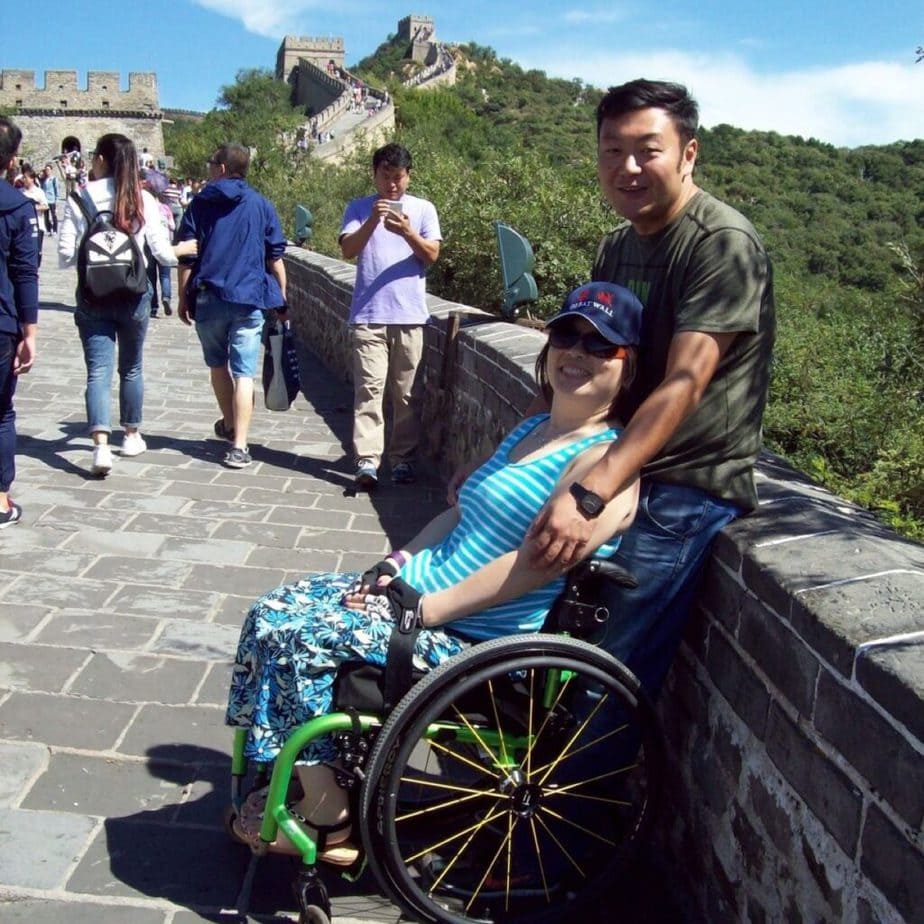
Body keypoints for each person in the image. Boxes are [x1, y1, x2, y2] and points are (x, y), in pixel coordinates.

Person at [226, 280, 642, 861]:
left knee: (305, 640)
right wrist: (395, 565)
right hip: (415, 592)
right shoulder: (532, 428)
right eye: (567, 335)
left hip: (465, 633)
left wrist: (419, 609)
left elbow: (529, 569)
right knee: (272, 610)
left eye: (603, 346)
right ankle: (299, 774)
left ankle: (331, 818)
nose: (578, 353)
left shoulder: (604, 463)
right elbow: (456, 515)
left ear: (630, 368)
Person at [526, 79, 776, 700]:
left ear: (688, 153)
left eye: (648, 150)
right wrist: (520, 456)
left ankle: (584, 797)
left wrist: (590, 494)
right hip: (614, 460)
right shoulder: (617, 246)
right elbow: (583, 359)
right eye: (613, 151)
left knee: (601, 673)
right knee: (540, 633)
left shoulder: (721, 244)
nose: (628, 168)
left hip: (684, 482)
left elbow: (685, 383)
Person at [58, 133, 197, 475]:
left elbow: (63, 256)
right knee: (131, 368)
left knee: (98, 372)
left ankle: (100, 447)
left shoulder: (79, 197)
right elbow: (163, 256)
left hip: (93, 295)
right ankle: (131, 436)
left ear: (102, 160)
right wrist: (183, 249)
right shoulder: (144, 200)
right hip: (135, 295)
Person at [176, 142, 287, 470]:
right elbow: (275, 258)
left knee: (217, 366)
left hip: (209, 296)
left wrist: (183, 297)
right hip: (249, 298)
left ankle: (229, 423)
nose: (208, 167)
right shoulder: (261, 205)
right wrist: (282, 298)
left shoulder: (200, 204)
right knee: (244, 373)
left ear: (222, 168)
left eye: (211, 162)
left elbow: (187, 254)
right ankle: (239, 445)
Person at [339, 143, 442, 490]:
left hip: (410, 316)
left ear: (408, 176)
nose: (392, 185)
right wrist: (373, 220)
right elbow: (348, 249)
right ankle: (367, 460)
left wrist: (408, 233)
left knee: (406, 394)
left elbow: (432, 256)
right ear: (375, 175)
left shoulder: (424, 210)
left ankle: (402, 460)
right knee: (369, 389)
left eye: (398, 178)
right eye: (385, 177)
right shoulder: (357, 208)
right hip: (369, 315)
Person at [0, 117, 39, 528]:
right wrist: (30, 332)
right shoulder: (16, 208)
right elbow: (25, 274)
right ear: (12, 161)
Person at [17, 167, 48, 267]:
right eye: (23, 177)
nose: (23, 179)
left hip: (37, 225)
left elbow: (45, 206)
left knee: (37, 250)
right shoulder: (20, 192)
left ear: (32, 179)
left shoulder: (39, 192)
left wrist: (33, 208)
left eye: (25, 177)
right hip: (23, 226)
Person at [40, 164, 59, 235]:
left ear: (51, 170)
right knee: (46, 216)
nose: (47, 171)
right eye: (46, 170)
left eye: (48, 169)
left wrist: (57, 200)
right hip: (45, 199)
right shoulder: (44, 179)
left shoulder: (54, 179)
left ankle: (55, 229)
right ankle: (49, 228)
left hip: (52, 199)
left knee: (53, 215)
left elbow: (56, 190)